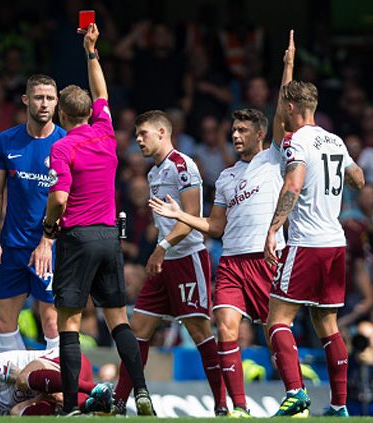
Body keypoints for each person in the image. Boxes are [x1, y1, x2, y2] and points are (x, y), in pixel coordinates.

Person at [150, 30, 295, 417]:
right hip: (231, 262)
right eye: (233, 131)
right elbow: (215, 227)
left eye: (242, 131)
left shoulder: (274, 160)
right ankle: (238, 408)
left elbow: (283, 111)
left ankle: (295, 394)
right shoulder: (228, 177)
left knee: (273, 332)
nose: (235, 135)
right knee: (225, 327)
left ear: (261, 134)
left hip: (267, 260)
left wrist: (287, 67)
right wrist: (181, 215)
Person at [35, 24, 153, 416]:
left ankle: (70, 406)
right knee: (119, 319)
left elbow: (59, 198)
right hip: (109, 238)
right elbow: (101, 92)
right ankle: (141, 392)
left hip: (78, 237)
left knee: (68, 322)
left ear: (62, 114)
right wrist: (92, 52)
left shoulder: (62, 147)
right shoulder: (105, 132)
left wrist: (49, 227)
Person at [263, 78, 365, 416]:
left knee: (277, 320)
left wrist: (274, 229)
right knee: (328, 325)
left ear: (290, 108)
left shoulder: (296, 141)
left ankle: (295, 392)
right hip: (336, 244)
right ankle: (338, 405)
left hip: (306, 242)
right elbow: (359, 177)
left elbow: (293, 183)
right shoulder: (335, 140)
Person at [112, 110, 224, 415]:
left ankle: (222, 405)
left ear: (163, 133)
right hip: (163, 263)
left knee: (200, 331)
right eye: (135, 135)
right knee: (138, 330)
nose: (138, 140)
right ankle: (119, 402)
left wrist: (160, 247)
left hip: (187, 259)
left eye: (143, 134)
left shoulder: (183, 166)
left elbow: (190, 220)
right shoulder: (152, 173)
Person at [0, 74, 66, 352]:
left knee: (52, 322)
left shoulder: (65, 143)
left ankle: (58, 389)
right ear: (26, 100)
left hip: (50, 246)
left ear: (57, 103)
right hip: (12, 245)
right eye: (39, 97)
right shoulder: (6, 141)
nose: (44, 104)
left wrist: (46, 243)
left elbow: (68, 202)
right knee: (4, 321)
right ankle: (19, 386)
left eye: (50, 98)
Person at [0, 348, 109, 416]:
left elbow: (18, 374)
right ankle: (86, 405)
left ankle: (94, 389)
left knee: (21, 380)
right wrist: (41, 399)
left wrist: (49, 394)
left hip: (67, 365)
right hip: (66, 393)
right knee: (16, 414)